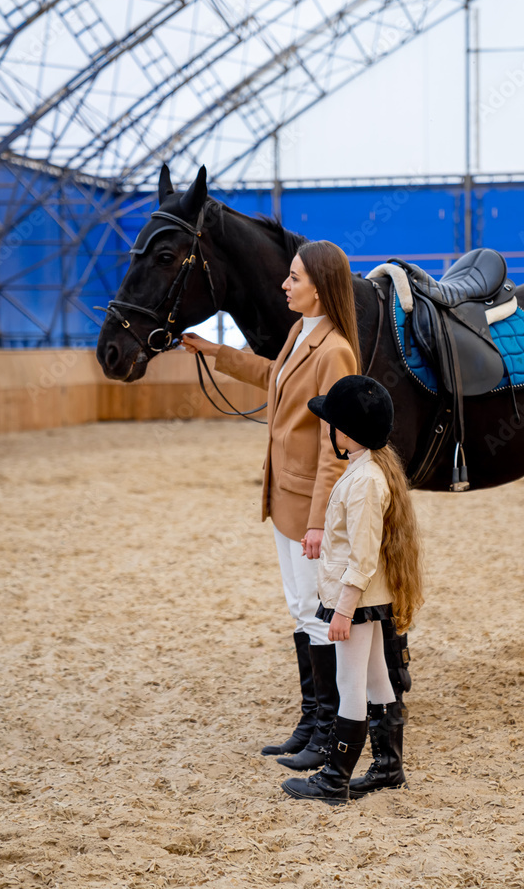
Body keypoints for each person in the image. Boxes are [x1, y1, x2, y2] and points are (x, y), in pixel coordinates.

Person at [181, 240, 360, 771]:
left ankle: (328, 729)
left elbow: (334, 445)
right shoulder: (299, 333)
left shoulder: (336, 351)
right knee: (299, 608)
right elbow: (271, 376)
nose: (285, 284)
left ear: (320, 287)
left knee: (315, 611)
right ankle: (312, 719)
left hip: (308, 503)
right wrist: (214, 352)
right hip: (281, 494)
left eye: (295, 278)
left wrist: (318, 523)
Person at [281, 375, 423, 805]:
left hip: (358, 601)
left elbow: (362, 556)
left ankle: (335, 779)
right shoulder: (370, 468)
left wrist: (342, 611)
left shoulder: (364, 482)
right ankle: (388, 767)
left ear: (344, 431)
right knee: (379, 680)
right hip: (371, 597)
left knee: (350, 684)